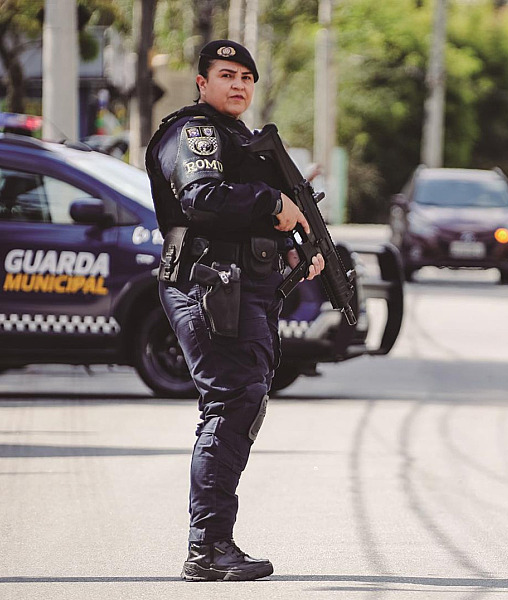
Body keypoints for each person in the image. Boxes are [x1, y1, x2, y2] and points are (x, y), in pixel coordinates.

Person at [145, 39, 324, 582]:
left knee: (242, 399)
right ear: (202, 82)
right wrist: (273, 204)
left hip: (240, 285)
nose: (239, 85)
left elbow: (239, 215)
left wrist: (290, 246)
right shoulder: (194, 132)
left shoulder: (241, 142)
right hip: (206, 284)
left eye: (247, 77)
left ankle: (214, 543)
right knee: (229, 403)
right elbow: (202, 198)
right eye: (227, 75)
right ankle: (207, 549)